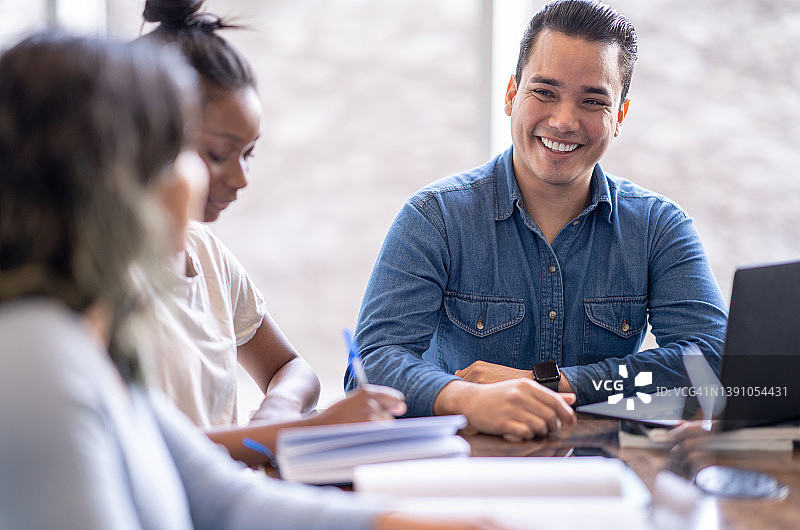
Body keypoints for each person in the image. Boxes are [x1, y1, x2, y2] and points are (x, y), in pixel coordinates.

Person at [0, 32, 501, 530]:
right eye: (179, 152)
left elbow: (225, 499)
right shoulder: (35, 356)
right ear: (106, 183)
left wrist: (401, 523)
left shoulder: (96, 348)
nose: (199, 177)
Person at [346, 0, 728, 442]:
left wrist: (550, 383)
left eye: (592, 101)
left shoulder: (660, 228)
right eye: (544, 92)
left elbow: (712, 365)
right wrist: (465, 398)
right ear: (512, 94)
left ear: (619, 116)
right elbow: (369, 367)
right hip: (462, 477)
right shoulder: (435, 218)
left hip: (604, 478)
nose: (564, 120)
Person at [136, 0, 407, 464]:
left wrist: (279, 406)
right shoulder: (105, 282)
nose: (240, 178)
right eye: (219, 154)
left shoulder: (208, 256)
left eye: (249, 154)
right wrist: (301, 431)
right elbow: (155, 457)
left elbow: (290, 367)